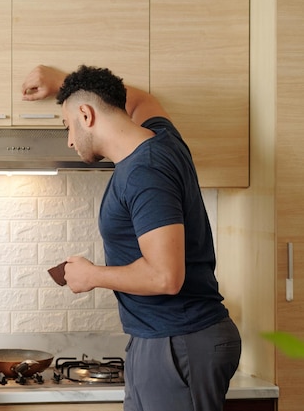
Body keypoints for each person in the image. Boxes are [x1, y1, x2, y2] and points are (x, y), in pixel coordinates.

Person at [23, 65, 241, 411]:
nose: (68, 139)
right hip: (161, 337)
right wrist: (65, 83)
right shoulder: (161, 136)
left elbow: (166, 277)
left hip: (178, 340)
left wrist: (91, 275)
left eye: (67, 125)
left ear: (86, 114)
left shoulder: (145, 173)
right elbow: (141, 98)